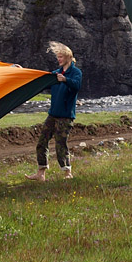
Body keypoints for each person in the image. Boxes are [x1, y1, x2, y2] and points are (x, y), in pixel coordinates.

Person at [26, 42, 82, 181]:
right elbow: (41, 80)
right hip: (52, 114)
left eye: (61, 57)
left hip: (66, 116)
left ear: (68, 57)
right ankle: (41, 173)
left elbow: (76, 86)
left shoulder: (76, 73)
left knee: (60, 143)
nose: (59, 59)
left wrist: (65, 80)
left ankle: (67, 172)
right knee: (42, 142)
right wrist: (24, 73)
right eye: (58, 57)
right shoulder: (55, 73)